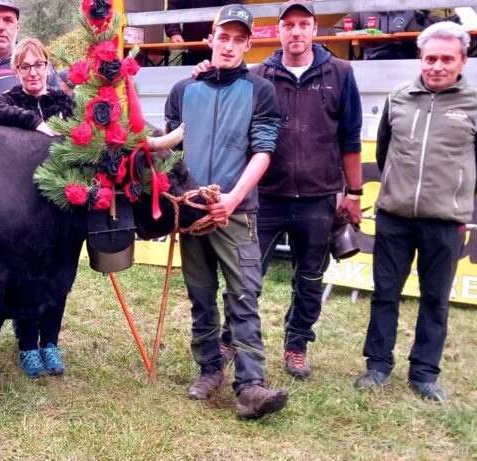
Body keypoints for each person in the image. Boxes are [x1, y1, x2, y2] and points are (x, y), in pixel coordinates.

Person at [354, 22, 477, 403]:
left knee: (435, 298)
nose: (437, 65)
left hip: (446, 223)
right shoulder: (397, 98)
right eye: (430, 57)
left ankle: (424, 373)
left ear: (462, 61)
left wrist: (452, 196)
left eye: (446, 59)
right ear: (421, 57)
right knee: (385, 292)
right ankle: (378, 366)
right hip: (394, 217)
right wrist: (401, 192)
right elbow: (384, 154)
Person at [164, 4, 287, 420]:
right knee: (200, 295)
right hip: (192, 213)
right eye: (224, 37)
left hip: (237, 211)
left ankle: (251, 385)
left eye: (239, 39)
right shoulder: (184, 89)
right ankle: (208, 370)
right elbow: (171, 152)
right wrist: (179, 202)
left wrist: (232, 198)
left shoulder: (261, 89)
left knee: (243, 296)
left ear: (248, 44)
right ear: (211, 39)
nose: (230, 45)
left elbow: (264, 150)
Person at [247, 0, 363, 380]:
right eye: (288, 25)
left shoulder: (342, 73)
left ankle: (296, 346)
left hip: (318, 199)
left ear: (315, 29)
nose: (296, 32)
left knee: (310, 279)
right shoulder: (257, 75)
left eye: (304, 24)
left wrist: (355, 193)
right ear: (278, 31)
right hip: (265, 196)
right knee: (247, 274)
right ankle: (234, 338)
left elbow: (350, 138)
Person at [0, 37, 74, 378]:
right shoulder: (10, 100)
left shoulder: (64, 103)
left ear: (48, 65)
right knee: (31, 276)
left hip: (64, 208)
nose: (32, 72)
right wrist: (30, 122)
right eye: (25, 66)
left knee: (60, 278)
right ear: (16, 70)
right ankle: (28, 345)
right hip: (24, 209)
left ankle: (51, 343)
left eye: (38, 65)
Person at [164, 0, 243, 65]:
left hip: (223, 46)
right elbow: (173, 7)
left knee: (222, 78)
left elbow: (233, 9)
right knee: (192, 79)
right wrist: (174, 33)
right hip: (192, 47)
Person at [338, 11, 436, 60]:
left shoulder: (411, 11)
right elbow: (334, 31)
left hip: (406, 61)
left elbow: (433, 32)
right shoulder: (363, 10)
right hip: (372, 62)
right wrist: (361, 37)